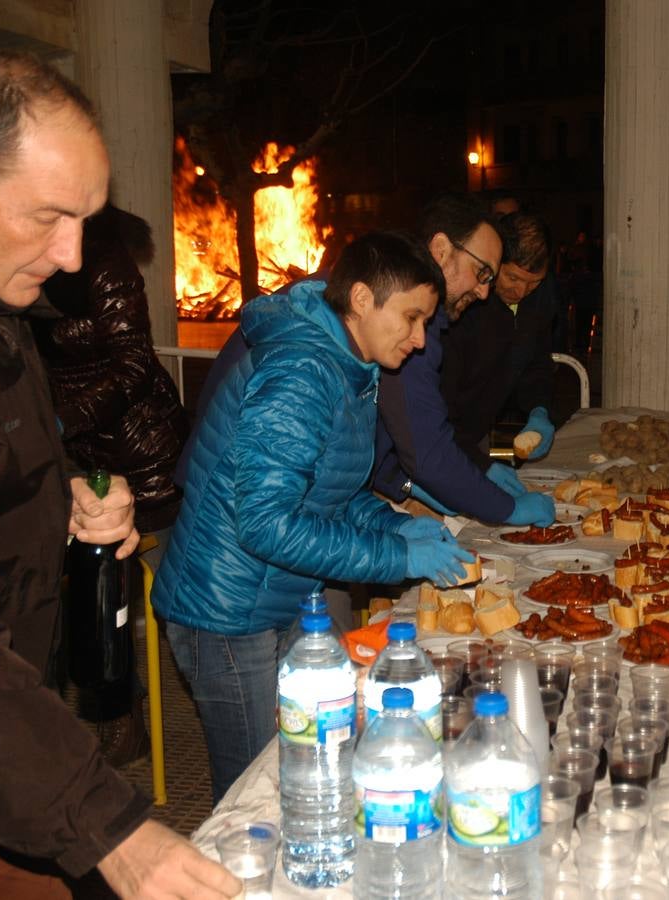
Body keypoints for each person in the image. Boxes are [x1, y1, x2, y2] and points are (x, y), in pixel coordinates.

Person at [0, 51, 238, 898]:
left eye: (88, 221)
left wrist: (57, 487)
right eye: (48, 217)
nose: (72, 258)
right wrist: (114, 832)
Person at [153, 231, 473, 803]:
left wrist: (394, 525)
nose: (421, 339)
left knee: (308, 760)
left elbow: (329, 493)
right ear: (361, 300)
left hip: (276, 598)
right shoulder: (302, 372)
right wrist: (399, 557)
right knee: (257, 787)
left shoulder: (348, 367)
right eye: (411, 317)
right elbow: (267, 523)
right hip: (225, 609)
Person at [35, 203, 190, 766]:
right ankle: (119, 715)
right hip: (78, 460)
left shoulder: (102, 261)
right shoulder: (21, 259)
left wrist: (61, 419)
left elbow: (134, 365)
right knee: (95, 595)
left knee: (179, 599)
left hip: (142, 451)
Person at [372, 194, 556, 526]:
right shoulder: (424, 323)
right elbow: (420, 436)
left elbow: (388, 432)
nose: (486, 291)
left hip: (420, 461)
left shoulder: (433, 317)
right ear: (440, 250)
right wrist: (503, 506)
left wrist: (398, 481)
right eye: (483, 272)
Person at [440, 212, 560, 466]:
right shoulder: (465, 305)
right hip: (446, 435)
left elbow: (537, 364)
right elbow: (438, 408)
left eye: (533, 283)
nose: (521, 291)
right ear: (493, 265)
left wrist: (540, 409)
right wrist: (479, 468)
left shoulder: (540, 297)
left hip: (490, 428)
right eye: (512, 277)